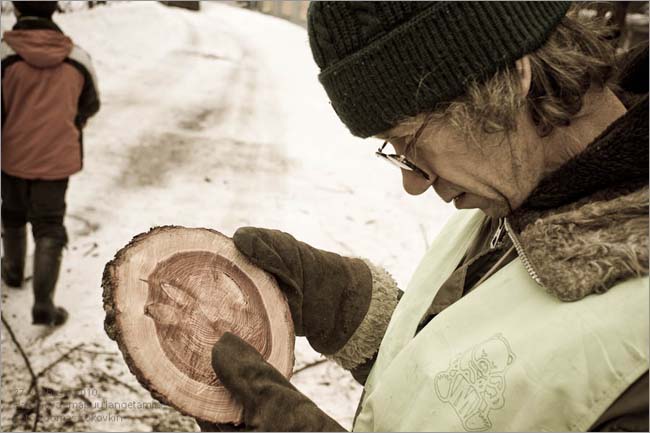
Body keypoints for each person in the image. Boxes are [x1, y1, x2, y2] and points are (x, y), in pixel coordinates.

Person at [199, 2, 648, 431]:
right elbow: (484, 381)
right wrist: (349, 310)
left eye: (411, 142)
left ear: (512, 81)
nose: (413, 184)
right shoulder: (520, 179)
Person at [1, 1, 100, 326]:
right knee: (49, 224)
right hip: (56, 157)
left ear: (17, 11)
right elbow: (90, 104)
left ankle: (13, 270)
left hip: (11, 155)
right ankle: (43, 305)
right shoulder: (77, 58)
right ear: (54, 12)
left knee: (12, 213)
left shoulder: (4, 55)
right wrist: (67, 119)